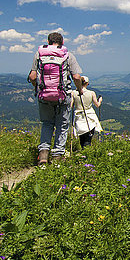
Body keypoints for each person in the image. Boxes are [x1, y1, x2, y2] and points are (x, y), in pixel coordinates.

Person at [28, 32, 83, 165]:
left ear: (48, 41)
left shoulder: (39, 54)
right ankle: (58, 155)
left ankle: (43, 155)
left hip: (44, 95)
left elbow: (32, 77)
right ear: (62, 42)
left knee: (47, 124)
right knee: (62, 125)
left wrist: (38, 88)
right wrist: (80, 90)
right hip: (62, 96)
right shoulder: (68, 55)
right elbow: (76, 77)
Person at [70, 75, 103, 148]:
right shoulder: (91, 93)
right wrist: (100, 100)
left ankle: (83, 152)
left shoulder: (73, 93)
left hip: (79, 117)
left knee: (82, 138)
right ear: (87, 83)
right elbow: (97, 105)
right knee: (88, 138)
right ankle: (86, 153)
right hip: (90, 117)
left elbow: (70, 105)